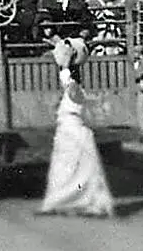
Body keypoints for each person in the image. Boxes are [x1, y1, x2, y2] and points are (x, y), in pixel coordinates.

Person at [38, 37, 114, 218]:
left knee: (77, 169)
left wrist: (65, 66)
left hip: (74, 130)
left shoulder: (74, 89)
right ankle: (65, 203)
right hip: (68, 130)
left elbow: (68, 85)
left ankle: (87, 204)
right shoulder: (75, 90)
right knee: (67, 168)